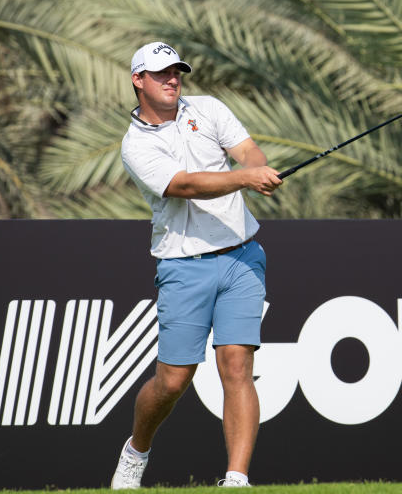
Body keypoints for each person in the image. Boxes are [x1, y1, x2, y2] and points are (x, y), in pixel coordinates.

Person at [112, 41, 283, 489]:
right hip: (183, 265)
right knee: (172, 381)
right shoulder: (135, 145)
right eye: (161, 73)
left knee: (236, 364)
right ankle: (136, 450)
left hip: (242, 255)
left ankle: (236, 478)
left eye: (177, 71)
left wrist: (256, 169)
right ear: (138, 80)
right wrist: (244, 178)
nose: (172, 79)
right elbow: (184, 185)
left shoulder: (206, 109)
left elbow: (248, 151)